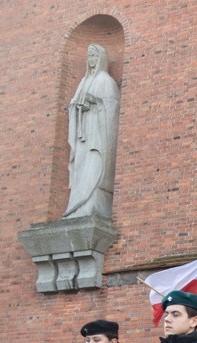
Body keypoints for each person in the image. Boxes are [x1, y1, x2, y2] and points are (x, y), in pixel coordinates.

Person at [64, 44, 120, 219]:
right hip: (83, 135)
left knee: (94, 166)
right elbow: (73, 104)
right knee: (81, 168)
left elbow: (112, 108)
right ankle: (76, 205)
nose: (91, 60)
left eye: (94, 56)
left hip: (97, 136)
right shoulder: (83, 81)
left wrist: (94, 102)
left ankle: (92, 202)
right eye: (89, 56)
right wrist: (76, 107)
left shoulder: (105, 80)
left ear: (101, 58)